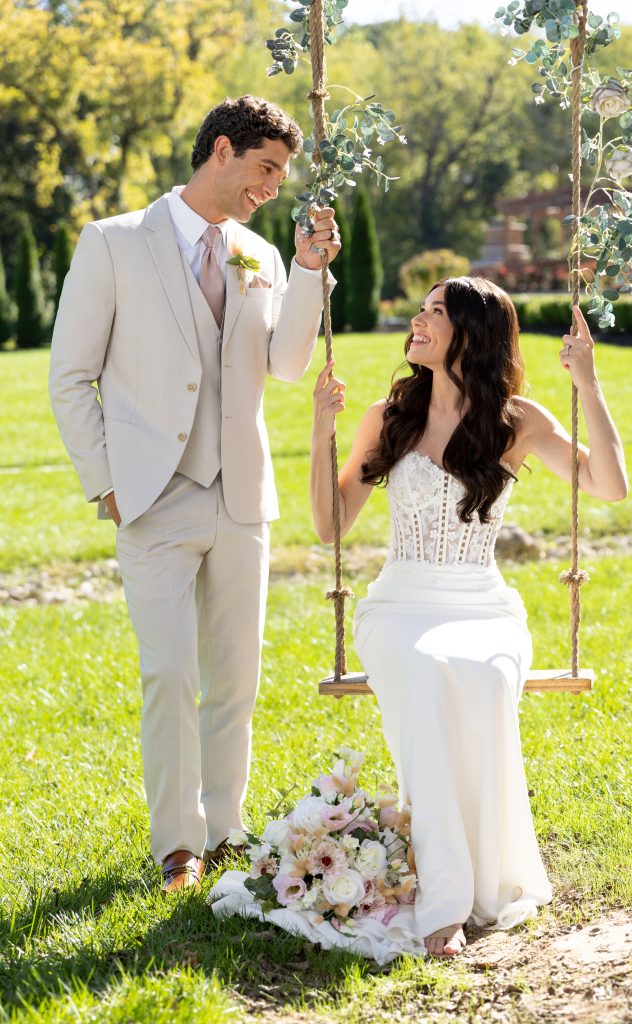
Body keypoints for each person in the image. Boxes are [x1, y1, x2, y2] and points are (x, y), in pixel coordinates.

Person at [49, 95, 340, 893]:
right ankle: (177, 843)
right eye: (265, 168)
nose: (275, 186)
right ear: (220, 149)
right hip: (149, 497)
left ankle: (227, 830)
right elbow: (71, 377)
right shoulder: (112, 244)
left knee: (236, 679)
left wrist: (310, 270)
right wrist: (106, 483)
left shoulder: (262, 256)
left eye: (282, 172)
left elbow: (283, 365)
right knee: (171, 674)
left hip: (240, 495)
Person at [310, 276, 627, 956]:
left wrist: (588, 385)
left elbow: (609, 486)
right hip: (399, 606)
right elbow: (330, 526)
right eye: (419, 309)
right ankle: (444, 900)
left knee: (480, 681)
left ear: (470, 334)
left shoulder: (516, 420)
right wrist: (320, 430)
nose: (417, 320)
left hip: (482, 606)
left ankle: (480, 875)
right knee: (425, 678)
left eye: (434, 312)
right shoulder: (388, 416)